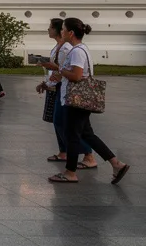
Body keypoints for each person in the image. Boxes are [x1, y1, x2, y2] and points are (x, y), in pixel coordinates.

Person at [49, 18, 131, 184]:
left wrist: (58, 69)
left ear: (71, 33)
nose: (62, 32)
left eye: (64, 29)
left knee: (72, 136)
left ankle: (70, 173)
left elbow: (77, 76)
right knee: (87, 135)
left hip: (76, 100)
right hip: (78, 100)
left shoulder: (77, 51)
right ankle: (116, 164)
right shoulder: (80, 49)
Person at [36, 18, 96, 169]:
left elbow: (70, 72)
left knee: (71, 126)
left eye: (53, 28)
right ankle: (65, 152)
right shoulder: (60, 47)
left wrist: (53, 76)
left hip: (69, 89)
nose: (48, 30)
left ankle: (87, 156)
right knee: (61, 123)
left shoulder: (69, 49)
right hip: (61, 87)